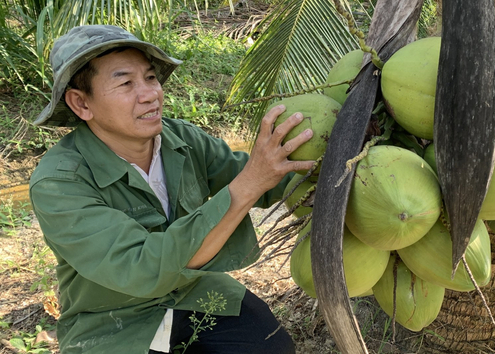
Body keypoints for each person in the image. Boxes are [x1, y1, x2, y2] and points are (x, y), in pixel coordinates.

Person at [29, 25, 315, 354]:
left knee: (270, 346)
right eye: (125, 83)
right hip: (113, 320)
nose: (150, 93)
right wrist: (249, 183)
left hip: (192, 291)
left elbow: (265, 180)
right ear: (81, 103)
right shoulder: (60, 182)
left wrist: (325, 160)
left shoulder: (182, 140)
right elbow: (142, 266)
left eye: (150, 78)